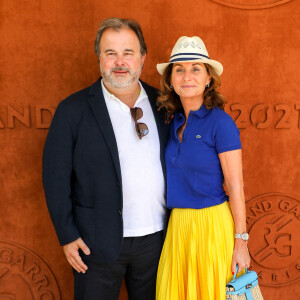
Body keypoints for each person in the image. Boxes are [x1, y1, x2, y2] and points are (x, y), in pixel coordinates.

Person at [42, 17, 169, 300]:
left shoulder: (164, 104)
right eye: (110, 53)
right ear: (99, 57)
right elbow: (55, 177)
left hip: (158, 241)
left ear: (143, 58)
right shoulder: (72, 110)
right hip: (94, 243)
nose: (120, 62)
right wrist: (67, 235)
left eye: (128, 52)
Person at [155, 36, 251, 300]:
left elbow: (235, 185)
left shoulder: (221, 123)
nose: (187, 76)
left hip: (212, 226)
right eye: (180, 69)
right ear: (171, 80)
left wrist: (240, 242)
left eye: (196, 68)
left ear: (208, 78)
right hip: (178, 229)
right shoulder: (171, 123)